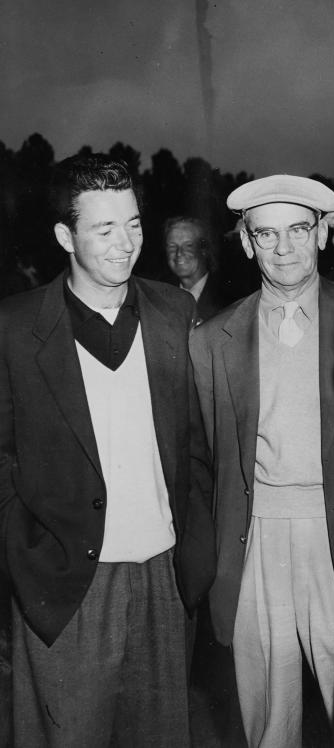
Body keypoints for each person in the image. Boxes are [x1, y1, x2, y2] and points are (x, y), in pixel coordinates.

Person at [0, 153, 215, 746]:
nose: (126, 245)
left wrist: (192, 554)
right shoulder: (15, 328)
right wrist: (26, 554)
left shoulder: (176, 312)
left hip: (165, 581)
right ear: (65, 236)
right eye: (104, 228)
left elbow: (195, 444)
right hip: (67, 585)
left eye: (134, 224)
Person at [189, 174, 334, 747]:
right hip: (256, 534)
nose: (283, 248)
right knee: (267, 710)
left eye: (297, 230)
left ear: (320, 236)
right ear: (245, 243)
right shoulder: (214, 337)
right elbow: (209, 454)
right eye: (266, 234)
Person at [163, 215, 226, 324]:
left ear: (204, 250)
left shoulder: (226, 296)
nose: (179, 253)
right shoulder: (159, 295)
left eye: (188, 246)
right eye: (172, 246)